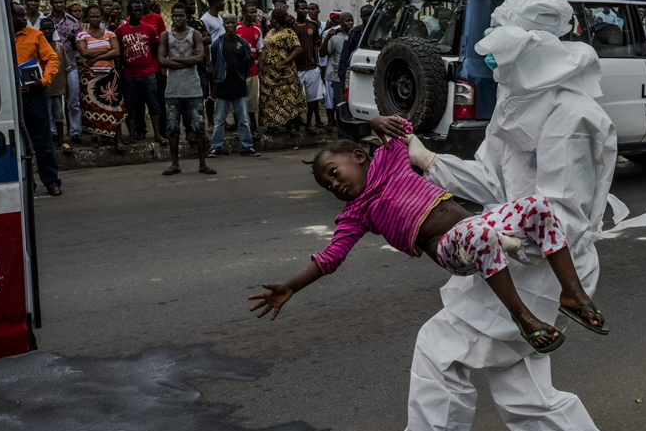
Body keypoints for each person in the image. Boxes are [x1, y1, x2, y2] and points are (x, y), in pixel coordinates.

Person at [358, 0, 630, 431]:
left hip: (544, 270)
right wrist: (427, 160)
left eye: (502, 49)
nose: (492, 61)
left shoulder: (572, 116)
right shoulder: (519, 101)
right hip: (513, 256)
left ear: (533, 49)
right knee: (523, 392)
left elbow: (564, 215)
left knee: (441, 345)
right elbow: (490, 179)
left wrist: (497, 237)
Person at [251, 113, 606, 349]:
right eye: (327, 186)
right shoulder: (355, 214)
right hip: (451, 248)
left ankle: (572, 294)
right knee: (478, 233)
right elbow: (330, 258)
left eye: (333, 173)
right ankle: (523, 317)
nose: (334, 185)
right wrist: (292, 286)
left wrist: (376, 120)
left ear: (358, 156)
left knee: (537, 207)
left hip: (478, 224)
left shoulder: (389, 157)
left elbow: (402, 128)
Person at [12, 3, 62, 196]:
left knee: (43, 140)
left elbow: (52, 58)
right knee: (18, 142)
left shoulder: (35, 35)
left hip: (34, 94)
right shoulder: (1, 36)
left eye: (25, 15)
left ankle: (51, 182)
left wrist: (44, 80)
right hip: (12, 97)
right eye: (20, 16)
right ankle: (26, 183)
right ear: (10, 17)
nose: (25, 19)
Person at [158, 4, 213, 175]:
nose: (178, 18)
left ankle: (202, 164)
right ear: (171, 17)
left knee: (199, 127)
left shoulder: (195, 34)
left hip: (193, 89)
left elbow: (199, 58)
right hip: (173, 90)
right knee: (172, 128)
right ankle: (175, 163)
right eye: (175, 15)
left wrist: (174, 61)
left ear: (186, 16)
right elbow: (162, 60)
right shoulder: (165, 36)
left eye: (181, 15)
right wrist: (187, 61)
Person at [209, 12, 260, 159]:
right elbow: (215, 63)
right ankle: (216, 147)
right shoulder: (217, 44)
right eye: (227, 23)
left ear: (236, 24)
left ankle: (246, 146)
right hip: (222, 86)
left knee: (243, 119)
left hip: (239, 86)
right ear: (223, 25)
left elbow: (248, 61)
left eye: (232, 23)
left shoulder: (242, 43)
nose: (230, 25)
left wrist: (242, 76)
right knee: (219, 120)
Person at [75, 4, 126, 152]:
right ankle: (95, 138)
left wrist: (95, 56)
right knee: (92, 109)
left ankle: (118, 139)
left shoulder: (110, 34)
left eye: (97, 16)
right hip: (90, 76)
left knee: (115, 107)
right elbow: (84, 53)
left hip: (109, 75)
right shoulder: (82, 35)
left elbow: (116, 52)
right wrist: (106, 49)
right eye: (92, 17)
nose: (95, 19)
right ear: (87, 17)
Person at [118, 0, 165, 143]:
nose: (138, 13)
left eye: (140, 10)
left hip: (148, 74)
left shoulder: (149, 29)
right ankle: (132, 135)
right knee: (131, 106)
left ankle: (157, 134)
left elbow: (155, 48)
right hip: (129, 75)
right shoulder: (121, 31)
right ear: (129, 11)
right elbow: (118, 53)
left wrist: (147, 59)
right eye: (135, 10)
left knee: (154, 105)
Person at [45, 0, 83, 147]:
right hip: (49, 66)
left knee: (73, 99)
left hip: (70, 64)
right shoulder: (45, 19)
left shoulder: (73, 21)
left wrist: (74, 41)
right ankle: (53, 131)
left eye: (61, 2)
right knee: (51, 100)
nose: (59, 5)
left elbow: (79, 45)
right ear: (51, 3)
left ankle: (75, 131)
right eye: (56, 2)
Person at [259, 9, 306, 132]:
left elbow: (297, 49)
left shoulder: (288, 33)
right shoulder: (270, 32)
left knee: (287, 99)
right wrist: (259, 63)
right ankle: (272, 124)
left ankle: (290, 124)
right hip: (268, 74)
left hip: (284, 73)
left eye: (271, 18)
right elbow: (265, 48)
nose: (269, 20)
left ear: (275, 20)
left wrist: (284, 62)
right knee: (270, 98)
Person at [292, 0, 325, 128]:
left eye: (306, 8)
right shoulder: (291, 26)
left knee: (313, 98)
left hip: (311, 67)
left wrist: (316, 61)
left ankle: (309, 123)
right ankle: (295, 122)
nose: (305, 11)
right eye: (302, 8)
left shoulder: (313, 25)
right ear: (295, 9)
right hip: (297, 68)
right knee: (295, 98)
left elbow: (315, 44)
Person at [321, 12, 353, 128]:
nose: (350, 23)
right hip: (337, 76)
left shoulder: (355, 34)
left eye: (351, 20)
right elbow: (322, 53)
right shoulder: (334, 37)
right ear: (340, 22)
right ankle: (340, 129)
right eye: (347, 21)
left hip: (352, 75)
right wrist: (327, 39)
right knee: (339, 104)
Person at [39, 17, 69, 145]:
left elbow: (66, 68)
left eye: (49, 28)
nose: (47, 31)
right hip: (43, 87)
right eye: (44, 29)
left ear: (54, 30)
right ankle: (48, 141)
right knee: (46, 115)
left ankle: (61, 140)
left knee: (59, 114)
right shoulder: (37, 47)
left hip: (57, 88)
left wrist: (66, 86)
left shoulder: (59, 47)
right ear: (40, 30)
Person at [237, 3, 264, 134]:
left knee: (252, 100)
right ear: (244, 13)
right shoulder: (237, 29)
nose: (254, 15)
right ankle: (239, 127)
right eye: (251, 12)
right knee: (239, 99)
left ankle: (253, 127)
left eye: (255, 12)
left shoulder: (257, 29)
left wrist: (258, 63)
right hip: (239, 70)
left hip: (252, 69)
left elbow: (261, 49)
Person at [338, 3, 374, 88]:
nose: (368, 18)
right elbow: (345, 56)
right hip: (359, 72)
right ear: (361, 17)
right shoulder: (354, 33)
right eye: (365, 16)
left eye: (371, 15)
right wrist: (344, 78)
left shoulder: (382, 31)